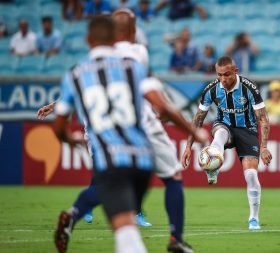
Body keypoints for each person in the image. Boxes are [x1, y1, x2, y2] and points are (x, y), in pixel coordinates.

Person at [46, 11, 207, 253]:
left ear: (89, 40)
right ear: (132, 33)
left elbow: (67, 112)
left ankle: (75, 213)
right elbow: (159, 103)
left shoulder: (77, 72)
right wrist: (193, 130)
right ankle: (176, 238)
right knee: (172, 176)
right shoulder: (136, 57)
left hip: (105, 136)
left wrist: (69, 134)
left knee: (112, 191)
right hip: (140, 134)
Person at [181, 56, 272, 231]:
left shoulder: (249, 88)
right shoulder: (212, 90)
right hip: (225, 126)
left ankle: (253, 218)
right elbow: (198, 119)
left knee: (251, 176)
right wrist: (187, 147)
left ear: (235, 72)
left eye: (227, 75)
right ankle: (212, 166)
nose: (222, 79)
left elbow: (263, 119)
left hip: (247, 130)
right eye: (219, 75)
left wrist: (264, 147)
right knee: (220, 132)